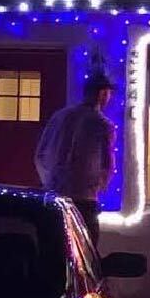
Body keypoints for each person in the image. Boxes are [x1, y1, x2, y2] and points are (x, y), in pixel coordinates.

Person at [35, 71, 116, 246]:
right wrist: (97, 187)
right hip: (84, 200)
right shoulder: (102, 124)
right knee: (85, 250)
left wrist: (50, 181)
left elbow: (40, 154)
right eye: (109, 93)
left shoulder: (60, 117)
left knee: (53, 247)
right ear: (102, 94)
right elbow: (107, 164)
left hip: (54, 195)